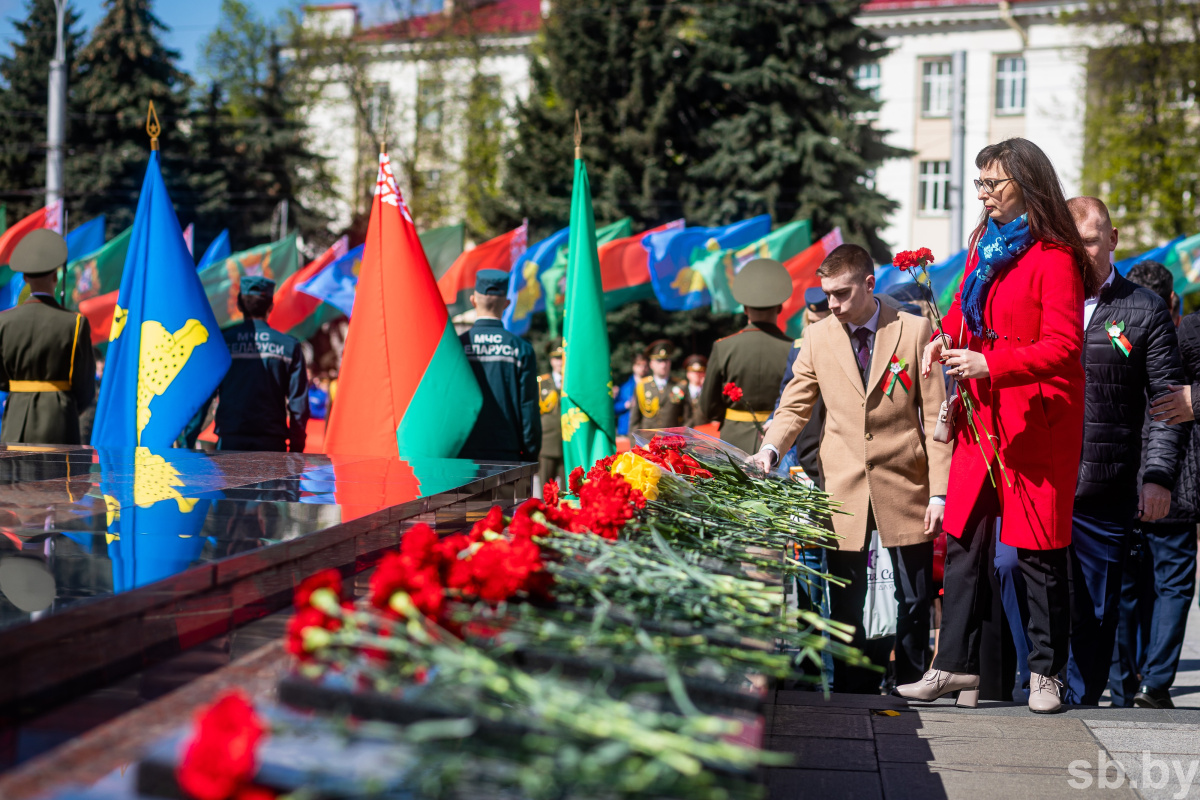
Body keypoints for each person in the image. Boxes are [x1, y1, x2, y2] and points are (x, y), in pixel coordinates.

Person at [898, 138, 1096, 714]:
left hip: (1036, 418)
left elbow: (1064, 347)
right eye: (980, 183)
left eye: (994, 183)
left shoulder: (1056, 257)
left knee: (1037, 550)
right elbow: (965, 305)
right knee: (962, 541)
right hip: (981, 415)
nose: (982, 193)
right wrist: (944, 337)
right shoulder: (985, 244)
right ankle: (951, 667)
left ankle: (1046, 675)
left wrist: (994, 362)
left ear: (1027, 185)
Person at [992, 199, 1186, 706]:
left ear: (1114, 239)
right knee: (1011, 567)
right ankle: (1037, 674)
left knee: (1095, 612)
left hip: (1104, 486)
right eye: (1072, 245)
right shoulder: (1038, 298)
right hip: (1037, 477)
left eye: (1093, 242)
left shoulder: (1142, 309)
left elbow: (1166, 402)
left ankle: (1079, 701)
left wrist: (1158, 476)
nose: (1082, 254)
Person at [744, 245, 952, 693]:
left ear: (869, 284)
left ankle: (912, 684)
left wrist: (940, 493)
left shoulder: (915, 330)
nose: (832, 305)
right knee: (844, 601)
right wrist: (770, 451)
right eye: (827, 295)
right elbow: (794, 405)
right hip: (843, 488)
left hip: (906, 482)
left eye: (841, 294)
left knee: (915, 597)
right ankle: (853, 691)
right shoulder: (819, 337)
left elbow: (938, 416)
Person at [1110, 261, 1200, 708]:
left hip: (1126, 482)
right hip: (1176, 483)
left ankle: (1124, 683)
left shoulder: (1115, 334)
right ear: (1170, 301)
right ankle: (1156, 682)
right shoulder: (1185, 339)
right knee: (1173, 586)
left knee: (1125, 587)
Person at [184, 276, 308, 452]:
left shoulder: (222, 344)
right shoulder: (289, 346)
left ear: (240, 305)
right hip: (272, 448)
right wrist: (296, 449)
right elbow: (299, 405)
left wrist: (188, 439)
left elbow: (204, 396)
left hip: (230, 444)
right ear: (271, 306)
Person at [0, 230, 95, 445]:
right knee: (59, 478)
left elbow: (2, 378)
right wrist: (67, 405)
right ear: (56, 276)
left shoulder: (3, 322)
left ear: (24, 278)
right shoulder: (75, 323)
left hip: (16, 418)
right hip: (60, 420)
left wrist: (20, 391)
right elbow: (85, 386)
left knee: (17, 478)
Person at [700, 259, 794, 455]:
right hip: (780, 444)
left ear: (744, 308)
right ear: (779, 308)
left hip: (733, 442)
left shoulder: (723, 347)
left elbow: (709, 406)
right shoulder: (794, 348)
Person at [457, 269, 541, 464]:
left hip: (462, 457)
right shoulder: (521, 349)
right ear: (507, 304)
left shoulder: (457, 347)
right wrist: (530, 455)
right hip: (506, 457)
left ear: (473, 300)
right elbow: (528, 409)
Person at [772, 287, 831, 484]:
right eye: (813, 322)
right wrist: (775, 417)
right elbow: (788, 388)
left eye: (821, 321)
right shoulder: (799, 346)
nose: (817, 328)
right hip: (803, 427)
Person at [628, 340, 689, 431]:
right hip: (648, 442)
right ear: (651, 364)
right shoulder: (642, 386)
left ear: (670, 363)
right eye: (659, 361)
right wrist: (636, 443)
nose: (663, 365)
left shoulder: (680, 385)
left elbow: (687, 417)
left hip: (672, 441)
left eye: (666, 360)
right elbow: (635, 420)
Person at [538, 341, 565, 487]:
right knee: (546, 490)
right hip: (547, 444)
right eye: (556, 358)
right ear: (550, 360)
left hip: (568, 443)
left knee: (571, 493)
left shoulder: (572, 383)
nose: (560, 362)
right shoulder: (541, 383)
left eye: (562, 357)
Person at [614, 352, 649, 436]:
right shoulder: (625, 387)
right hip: (626, 430)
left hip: (646, 429)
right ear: (633, 366)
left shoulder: (652, 385)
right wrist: (625, 405)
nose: (642, 368)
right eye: (639, 365)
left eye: (645, 365)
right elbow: (614, 408)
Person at [682, 355, 708, 428]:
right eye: (693, 371)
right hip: (684, 432)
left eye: (700, 371)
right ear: (688, 374)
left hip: (703, 431)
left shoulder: (707, 391)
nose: (697, 374)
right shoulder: (681, 389)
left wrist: (705, 388)